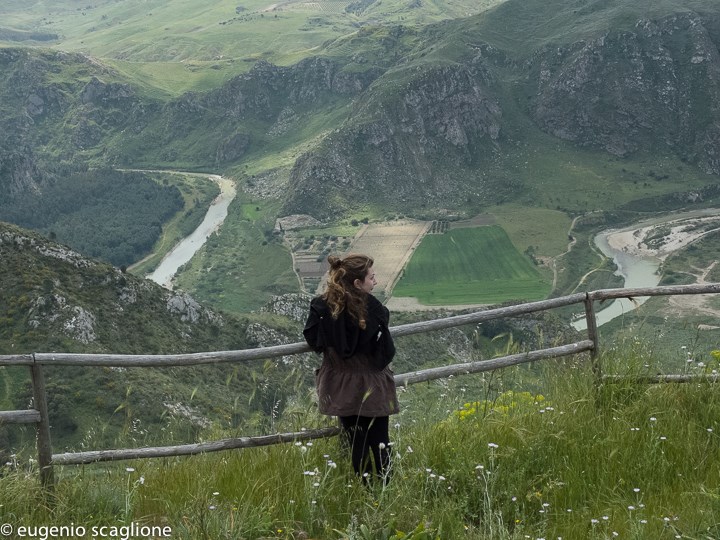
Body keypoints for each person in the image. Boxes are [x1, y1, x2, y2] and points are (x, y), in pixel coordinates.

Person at [303, 254, 399, 483]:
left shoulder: (321, 308)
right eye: (372, 278)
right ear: (357, 283)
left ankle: (364, 489)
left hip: (340, 384)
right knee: (381, 441)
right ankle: (385, 488)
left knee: (356, 441)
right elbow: (384, 354)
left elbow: (314, 342)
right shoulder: (375, 310)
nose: (375, 282)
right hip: (372, 385)